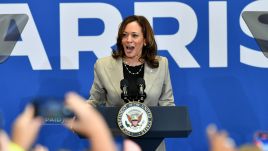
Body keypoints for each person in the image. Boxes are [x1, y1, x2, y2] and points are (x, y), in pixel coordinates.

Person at [88, 15, 175, 151]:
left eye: (134, 35)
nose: (128, 40)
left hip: (152, 144)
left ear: (145, 40)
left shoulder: (161, 64)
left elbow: (167, 103)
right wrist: (80, 114)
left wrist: (172, 121)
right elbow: (95, 100)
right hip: (115, 143)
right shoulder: (103, 65)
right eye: (124, 35)